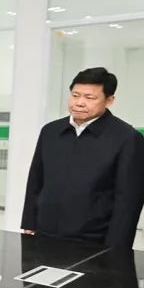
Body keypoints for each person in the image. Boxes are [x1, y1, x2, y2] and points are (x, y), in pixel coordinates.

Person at [21, 67, 144, 249]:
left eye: (90, 98)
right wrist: (29, 222)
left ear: (109, 100)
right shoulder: (50, 131)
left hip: (93, 239)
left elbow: (128, 201)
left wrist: (116, 248)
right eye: (75, 95)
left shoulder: (126, 138)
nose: (79, 103)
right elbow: (36, 179)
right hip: (45, 231)